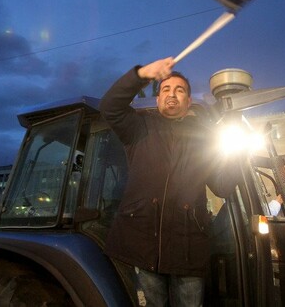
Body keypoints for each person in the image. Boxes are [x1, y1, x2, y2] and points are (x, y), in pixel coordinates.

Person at [99, 57, 242, 307]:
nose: (172, 94)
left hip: (188, 249)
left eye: (179, 90)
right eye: (166, 89)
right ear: (158, 100)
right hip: (144, 247)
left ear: (188, 102)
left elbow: (224, 186)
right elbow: (110, 106)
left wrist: (236, 154)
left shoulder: (203, 139)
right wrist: (142, 74)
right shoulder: (139, 128)